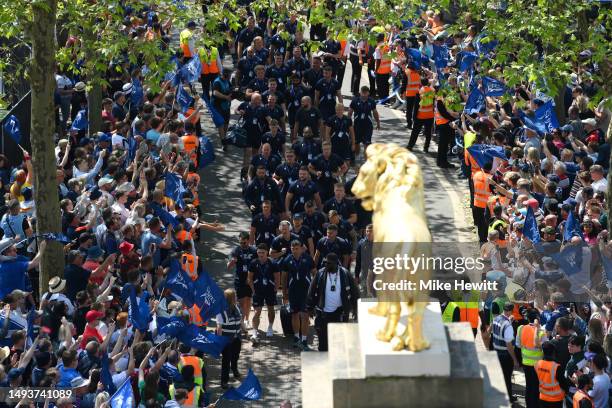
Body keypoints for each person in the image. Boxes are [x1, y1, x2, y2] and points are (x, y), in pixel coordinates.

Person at [307, 252, 357, 351]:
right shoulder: (320, 273)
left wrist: (356, 309)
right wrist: (310, 308)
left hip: (340, 314)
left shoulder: (345, 274)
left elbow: (354, 292)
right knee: (323, 345)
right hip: (323, 314)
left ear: (336, 263)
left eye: (329, 263)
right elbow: (311, 291)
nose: (326, 265)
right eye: (325, 263)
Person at [281, 240, 316, 350]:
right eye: (293, 248)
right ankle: (296, 337)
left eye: (297, 248)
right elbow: (284, 277)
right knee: (294, 314)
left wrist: (315, 290)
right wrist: (284, 292)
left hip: (306, 292)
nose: (295, 250)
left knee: (305, 316)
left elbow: (315, 273)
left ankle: (304, 340)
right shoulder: (287, 260)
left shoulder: (308, 259)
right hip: (293, 292)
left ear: (301, 248)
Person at [247, 243, 280, 342]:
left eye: (263, 252)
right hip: (258, 290)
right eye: (259, 252)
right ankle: (254, 332)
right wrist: (253, 290)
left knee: (271, 309)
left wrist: (275, 289)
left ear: (267, 253)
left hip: (270, 290)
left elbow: (277, 278)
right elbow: (249, 278)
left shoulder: (273, 263)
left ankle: (270, 327)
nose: (261, 254)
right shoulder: (253, 263)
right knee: (257, 311)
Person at [516, 309, 546, 408]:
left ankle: (529, 405)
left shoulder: (520, 328)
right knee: (537, 387)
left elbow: (518, 345)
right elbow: (545, 348)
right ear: (537, 318)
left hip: (525, 362)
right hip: (538, 365)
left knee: (529, 386)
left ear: (527, 318)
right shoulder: (541, 332)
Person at [490, 302, 519, 402]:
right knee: (507, 377)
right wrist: (515, 359)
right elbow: (509, 346)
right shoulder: (508, 326)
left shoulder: (496, 319)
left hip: (496, 352)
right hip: (505, 355)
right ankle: (508, 398)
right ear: (511, 311)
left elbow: (490, 332)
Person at [228, 232, 257, 329]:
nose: (242, 245)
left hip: (250, 279)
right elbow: (228, 266)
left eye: (244, 243)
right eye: (240, 243)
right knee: (241, 301)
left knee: (248, 300)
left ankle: (246, 320)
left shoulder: (253, 250)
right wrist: (232, 262)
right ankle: (241, 320)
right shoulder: (236, 250)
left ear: (248, 241)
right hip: (239, 279)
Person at [216, 289, 242, 389]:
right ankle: (224, 381)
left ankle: (234, 369)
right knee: (226, 359)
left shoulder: (237, 307)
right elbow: (219, 327)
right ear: (231, 298)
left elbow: (240, 321)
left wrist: (245, 331)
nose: (236, 298)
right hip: (226, 340)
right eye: (235, 296)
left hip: (237, 337)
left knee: (236, 355)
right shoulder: (221, 311)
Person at [536, 341, 570, 408]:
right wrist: (567, 390)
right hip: (556, 399)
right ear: (553, 352)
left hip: (542, 397)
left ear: (543, 352)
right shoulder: (556, 367)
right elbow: (563, 383)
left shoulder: (538, 364)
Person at [407, 78, 435, 153]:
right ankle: (426, 148)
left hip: (420, 115)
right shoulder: (432, 91)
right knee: (428, 133)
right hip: (430, 115)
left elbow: (416, 106)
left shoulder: (419, 92)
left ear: (421, 83)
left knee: (415, 132)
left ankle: (410, 146)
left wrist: (414, 117)